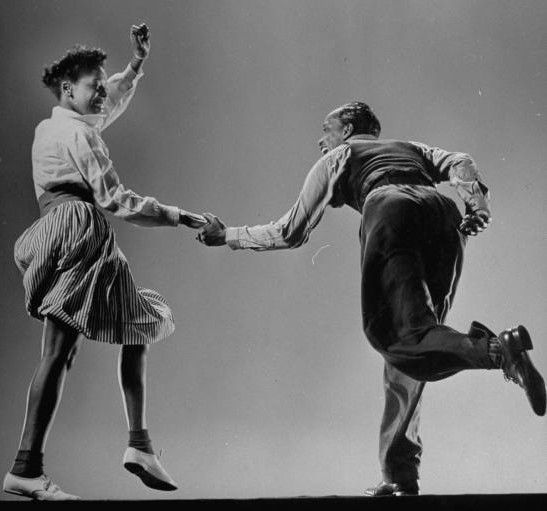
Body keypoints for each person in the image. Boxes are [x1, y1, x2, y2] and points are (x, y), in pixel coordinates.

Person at [197, 101, 546, 496]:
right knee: (416, 347)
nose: (319, 139)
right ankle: (400, 475)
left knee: (400, 338)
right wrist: (476, 203)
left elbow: (291, 231)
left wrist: (227, 235)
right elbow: (460, 160)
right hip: (444, 216)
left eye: (325, 129)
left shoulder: (339, 157)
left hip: (389, 209)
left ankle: (499, 351)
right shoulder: (410, 148)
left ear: (347, 129)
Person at [3, 24, 206, 501]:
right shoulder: (80, 136)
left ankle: (139, 444)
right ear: (67, 90)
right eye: (92, 85)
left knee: (135, 322)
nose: (100, 93)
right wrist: (178, 215)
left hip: (57, 231)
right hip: (78, 230)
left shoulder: (56, 126)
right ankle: (26, 468)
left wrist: (134, 66)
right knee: (61, 351)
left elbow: (106, 103)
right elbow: (116, 198)